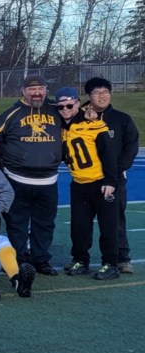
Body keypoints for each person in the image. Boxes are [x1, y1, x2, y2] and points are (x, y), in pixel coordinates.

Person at [0, 73, 63, 275]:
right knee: (17, 224)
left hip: (48, 181)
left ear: (45, 90)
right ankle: (20, 259)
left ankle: (41, 260)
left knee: (45, 223)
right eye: (31, 89)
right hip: (17, 180)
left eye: (40, 88)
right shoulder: (12, 113)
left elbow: (77, 117)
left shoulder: (57, 111)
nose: (36, 93)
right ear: (23, 91)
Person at [56, 88, 120, 280]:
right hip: (79, 184)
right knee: (79, 226)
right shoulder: (61, 129)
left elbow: (109, 154)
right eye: (61, 106)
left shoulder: (93, 124)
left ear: (78, 104)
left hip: (100, 183)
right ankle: (80, 260)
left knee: (108, 226)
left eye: (69, 105)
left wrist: (110, 180)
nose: (65, 109)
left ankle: (110, 264)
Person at [84, 76, 139, 274]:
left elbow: (130, 149)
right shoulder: (81, 119)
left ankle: (122, 258)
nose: (102, 96)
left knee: (116, 221)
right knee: (84, 222)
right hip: (88, 181)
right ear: (89, 96)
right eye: (97, 93)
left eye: (105, 92)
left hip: (114, 181)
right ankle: (81, 259)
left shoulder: (122, 120)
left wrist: (113, 175)